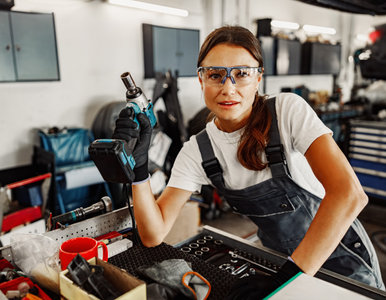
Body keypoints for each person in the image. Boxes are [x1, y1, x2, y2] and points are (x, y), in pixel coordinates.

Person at [112, 25, 385, 297]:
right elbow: (152, 234)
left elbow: (349, 195)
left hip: (343, 262)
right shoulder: (198, 150)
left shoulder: (286, 112)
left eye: (241, 74)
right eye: (216, 75)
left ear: (258, 79)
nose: (228, 88)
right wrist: (139, 169)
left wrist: (289, 276)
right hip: (280, 263)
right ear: (201, 80)